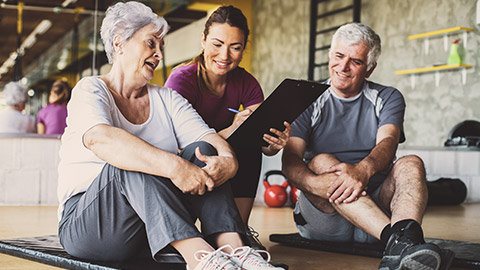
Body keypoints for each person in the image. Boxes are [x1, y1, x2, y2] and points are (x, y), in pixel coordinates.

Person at [57, 2, 283, 270]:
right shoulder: (90, 89)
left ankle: (235, 249)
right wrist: (176, 167)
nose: (158, 54)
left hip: (151, 227)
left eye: (160, 47)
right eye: (151, 44)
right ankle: (200, 258)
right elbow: (101, 139)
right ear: (119, 43)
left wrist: (228, 162)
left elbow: (209, 140)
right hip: (92, 226)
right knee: (129, 161)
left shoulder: (167, 98)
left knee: (201, 150)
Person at [281, 23, 442, 270]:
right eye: (338, 56)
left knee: (412, 163)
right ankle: (399, 243)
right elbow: (290, 159)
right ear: (329, 57)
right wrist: (315, 184)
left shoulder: (388, 97)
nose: (343, 67)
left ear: (369, 68)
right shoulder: (308, 100)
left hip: (376, 212)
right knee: (322, 161)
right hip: (327, 218)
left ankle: (403, 242)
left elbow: (388, 142)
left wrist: (362, 170)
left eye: (355, 61)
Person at [165, 5, 291, 250]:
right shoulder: (182, 79)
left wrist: (274, 144)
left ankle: (238, 231)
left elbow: (264, 147)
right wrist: (232, 130)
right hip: (186, 169)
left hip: (223, 169)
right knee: (213, 145)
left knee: (249, 143)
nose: (225, 55)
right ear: (203, 40)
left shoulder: (247, 83)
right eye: (217, 44)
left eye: (235, 47)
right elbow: (175, 147)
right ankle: (218, 232)